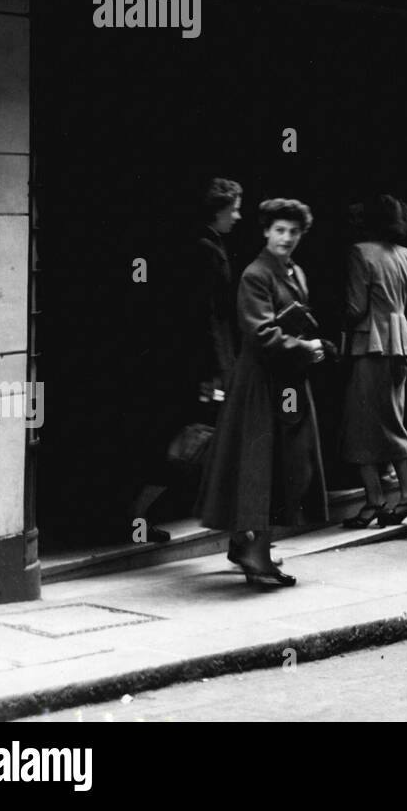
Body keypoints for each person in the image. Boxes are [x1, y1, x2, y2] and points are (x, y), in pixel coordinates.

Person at [198, 198, 330, 587]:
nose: (286, 238)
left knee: (282, 466)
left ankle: (247, 546)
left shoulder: (294, 272)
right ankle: (256, 555)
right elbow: (260, 333)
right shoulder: (256, 274)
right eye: (279, 230)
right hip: (261, 386)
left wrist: (311, 342)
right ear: (266, 232)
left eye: (293, 231)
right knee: (263, 468)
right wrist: (304, 347)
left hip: (285, 382)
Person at [129, 177, 242, 544]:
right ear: (219, 210)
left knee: (190, 441)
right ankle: (139, 517)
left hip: (207, 364)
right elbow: (207, 315)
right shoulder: (206, 250)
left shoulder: (209, 245)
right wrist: (214, 373)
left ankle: (140, 517)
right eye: (234, 209)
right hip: (206, 367)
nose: (238, 216)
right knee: (190, 442)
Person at [339, 195, 407, 530]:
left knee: (363, 423)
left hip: (370, 345)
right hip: (400, 344)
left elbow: (355, 308)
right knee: (390, 417)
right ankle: (394, 497)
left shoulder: (360, 253)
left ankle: (393, 497)